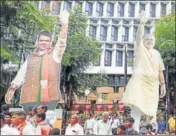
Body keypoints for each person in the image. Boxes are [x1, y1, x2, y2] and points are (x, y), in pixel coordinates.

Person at [5, 11, 70, 112]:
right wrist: (12, 88)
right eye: (41, 40)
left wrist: (64, 24)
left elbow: (61, 42)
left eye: (47, 41)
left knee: (43, 124)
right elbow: (21, 74)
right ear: (37, 42)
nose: (44, 43)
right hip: (28, 98)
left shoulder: (55, 54)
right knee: (30, 125)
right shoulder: (31, 57)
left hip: (48, 98)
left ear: (50, 42)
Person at [122, 11, 166, 133]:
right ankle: (135, 132)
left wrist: (163, 85)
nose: (149, 40)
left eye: (151, 39)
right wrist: (141, 24)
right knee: (136, 109)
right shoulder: (139, 48)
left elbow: (160, 71)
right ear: (143, 40)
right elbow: (138, 37)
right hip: (139, 83)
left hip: (153, 85)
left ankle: (151, 132)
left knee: (152, 111)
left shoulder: (157, 53)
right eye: (147, 39)